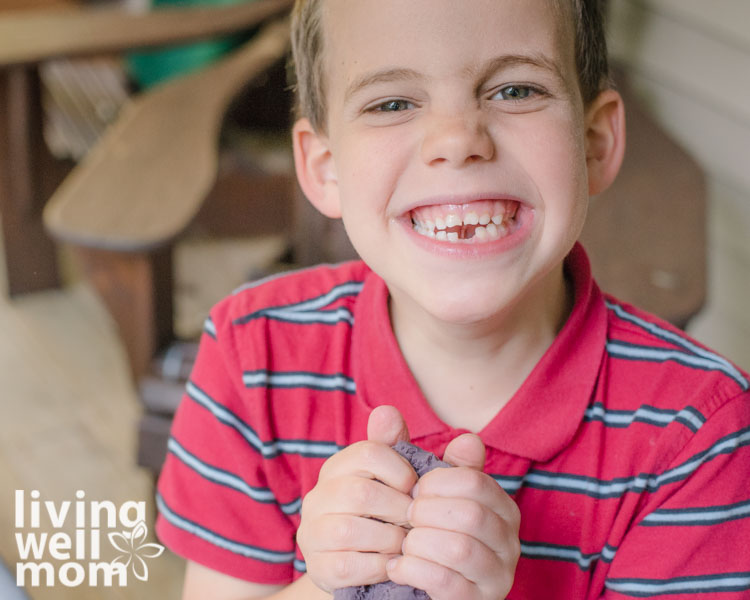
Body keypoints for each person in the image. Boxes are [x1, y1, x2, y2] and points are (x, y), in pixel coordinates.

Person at [155, 0, 750, 598]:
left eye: (516, 90)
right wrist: (327, 587)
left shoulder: (701, 432)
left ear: (594, 142)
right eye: (392, 103)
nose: (457, 140)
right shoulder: (252, 352)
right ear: (325, 166)